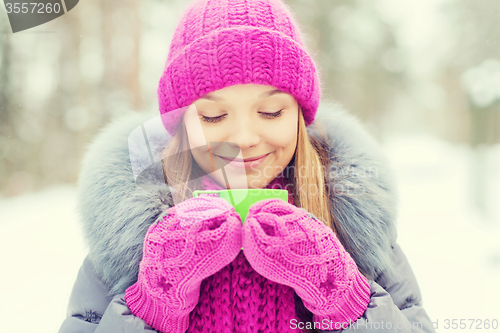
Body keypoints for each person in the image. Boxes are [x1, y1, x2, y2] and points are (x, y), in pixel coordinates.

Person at [58, 0, 436, 332]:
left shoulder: (355, 223)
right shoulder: (127, 233)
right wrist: (152, 304)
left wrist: (345, 301)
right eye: (213, 116)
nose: (243, 137)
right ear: (181, 123)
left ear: (299, 117)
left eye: (270, 112)